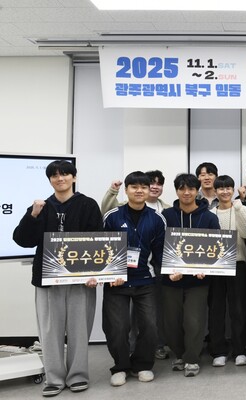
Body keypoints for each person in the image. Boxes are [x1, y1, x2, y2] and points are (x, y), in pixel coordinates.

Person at [13, 160, 104, 397]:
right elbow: (22, 240)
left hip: (80, 279)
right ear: (50, 180)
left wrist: (94, 274)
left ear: (74, 177)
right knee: (49, 331)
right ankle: (53, 378)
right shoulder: (41, 206)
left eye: (65, 174)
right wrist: (33, 215)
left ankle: (78, 376)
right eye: (54, 175)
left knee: (79, 330)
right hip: (47, 278)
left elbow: (98, 240)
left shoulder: (88, 204)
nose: (60, 178)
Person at [102, 171, 166, 387]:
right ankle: (120, 366)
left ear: (149, 191)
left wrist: (170, 272)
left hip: (146, 281)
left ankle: (142, 365)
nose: (139, 191)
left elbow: (160, 253)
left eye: (143, 187)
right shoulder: (112, 216)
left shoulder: (157, 219)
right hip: (117, 282)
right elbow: (102, 249)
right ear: (126, 189)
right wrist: (111, 274)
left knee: (150, 326)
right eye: (134, 187)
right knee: (117, 328)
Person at [161, 174, 220, 377]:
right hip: (171, 279)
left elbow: (217, 247)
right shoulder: (166, 216)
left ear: (197, 191)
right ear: (177, 190)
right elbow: (159, 245)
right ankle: (180, 354)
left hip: (198, 280)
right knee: (171, 322)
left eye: (191, 189)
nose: (186, 193)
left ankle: (192, 358)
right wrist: (169, 271)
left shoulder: (209, 217)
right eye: (182, 189)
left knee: (194, 321)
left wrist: (208, 268)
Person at [208, 175, 246, 367]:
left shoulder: (241, 209)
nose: (225, 191)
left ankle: (240, 350)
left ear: (233, 190)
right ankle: (218, 350)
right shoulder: (210, 213)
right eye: (221, 188)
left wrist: (239, 207)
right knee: (216, 309)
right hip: (216, 268)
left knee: (239, 309)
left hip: (238, 264)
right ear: (215, 191)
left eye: (228, 188)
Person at [100, 170, 170, 214]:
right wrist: (113, 191)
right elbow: (106, 212)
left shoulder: (168, 209)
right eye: (151, 183)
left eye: (159, 184)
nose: (155, 187)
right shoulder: (123, 206)